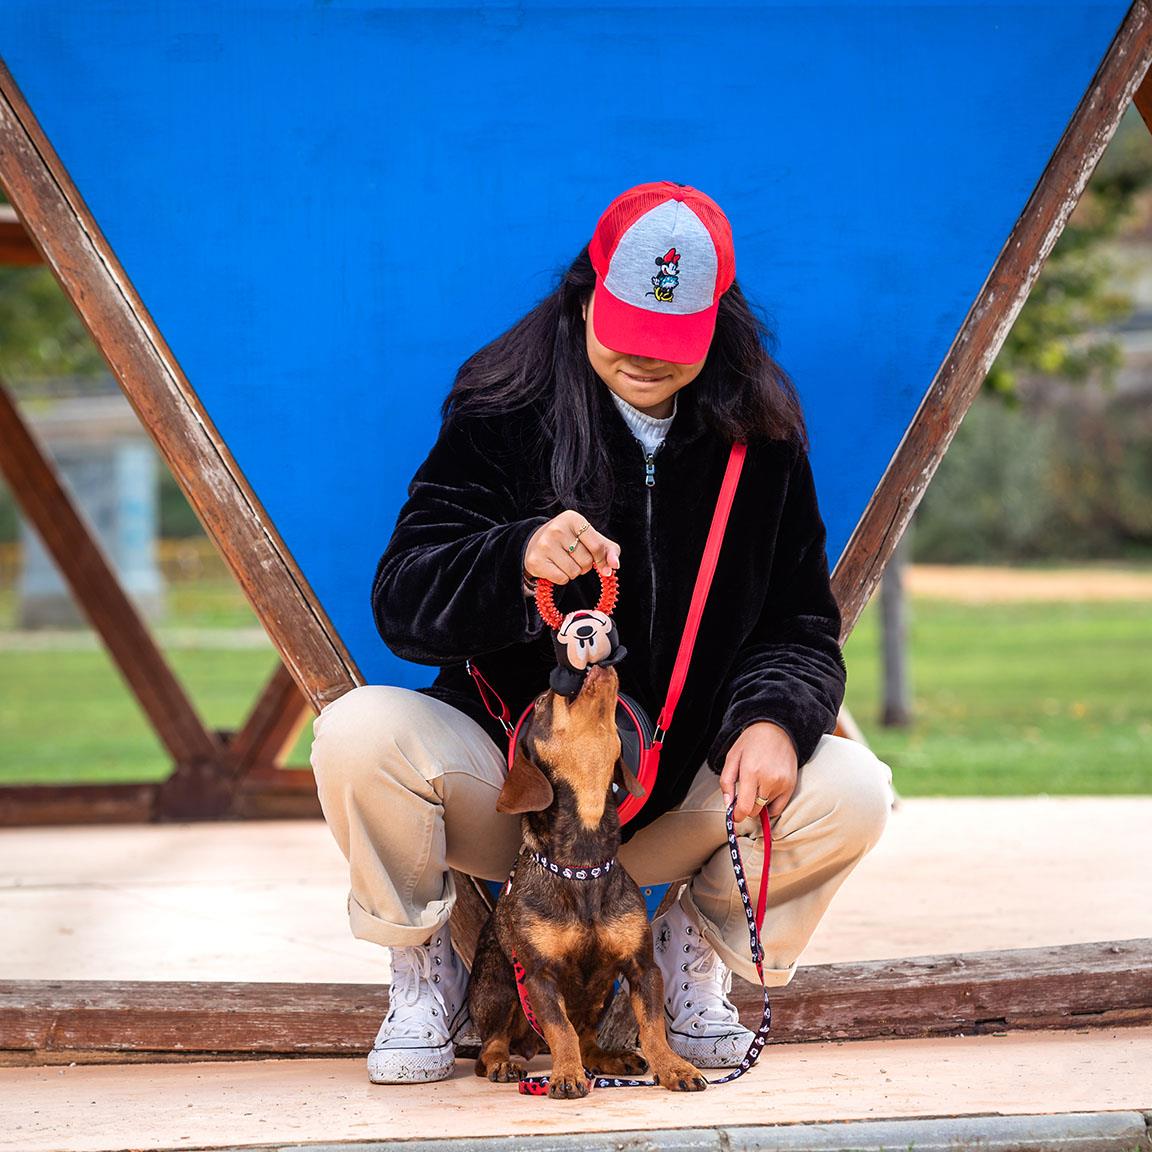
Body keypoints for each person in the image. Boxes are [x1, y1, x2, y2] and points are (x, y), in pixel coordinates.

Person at [310, 181, 894, 1085]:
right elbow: (403, 601)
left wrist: (775, 718)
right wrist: (515, 558)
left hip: (663, 799)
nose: (645, 359)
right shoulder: (503, 407)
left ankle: (685, 955)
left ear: (717, 321)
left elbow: (799, 627)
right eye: (624, 330)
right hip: (519, 797)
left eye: (673, 341)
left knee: (853, 785)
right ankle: (426, 971)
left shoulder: (763, 437)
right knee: (358, 733)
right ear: (585, 296)